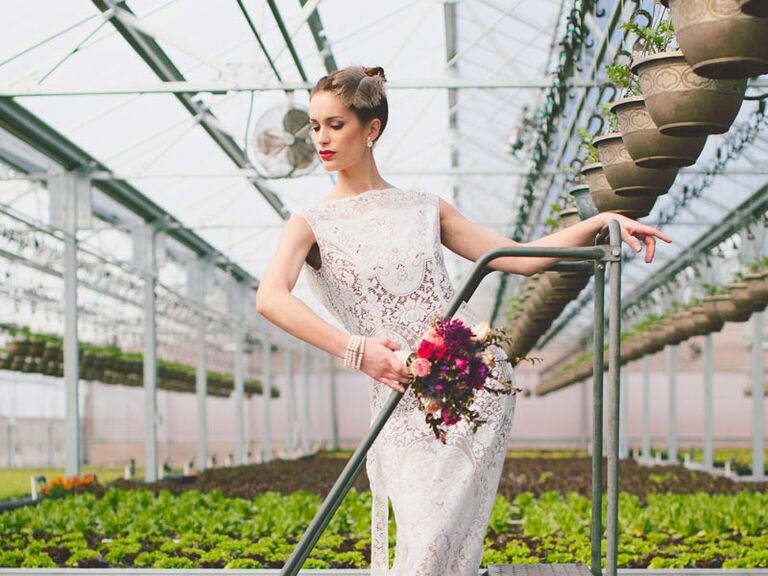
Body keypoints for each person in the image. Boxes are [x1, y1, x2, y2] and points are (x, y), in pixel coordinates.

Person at [256, 65, 670, 576]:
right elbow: (271, 298)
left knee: (441, 544)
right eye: (315, 126)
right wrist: (358, 351)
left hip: (474, 383)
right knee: (423, 541)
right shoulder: (309, 223)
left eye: (335, 125)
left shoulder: (424, 207)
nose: (321, 138)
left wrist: (599, 221)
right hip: (398, 394)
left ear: (372, 129)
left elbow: (517, 258)